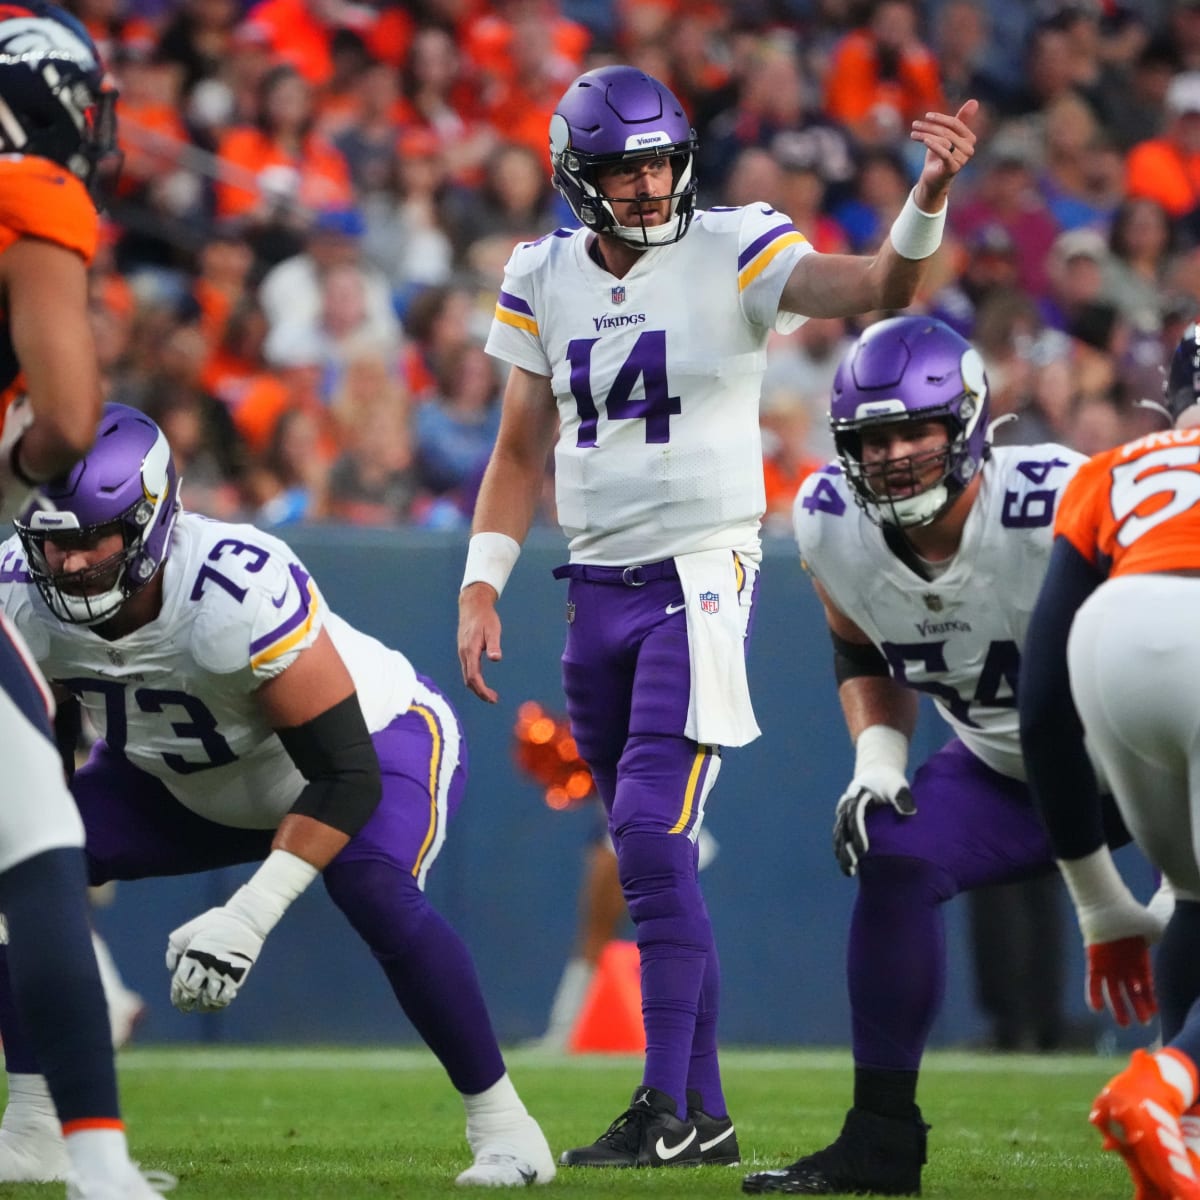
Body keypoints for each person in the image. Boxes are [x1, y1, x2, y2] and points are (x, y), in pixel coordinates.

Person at [456, 62, 978, 1170]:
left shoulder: (733, 242)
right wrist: (480, 580)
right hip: (591, 585)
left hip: (700, 573)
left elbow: (878, 286)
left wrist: (926, 192)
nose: (648, 188)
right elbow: (515, 449)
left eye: (659, 164)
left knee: (649, 833)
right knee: (650, 852)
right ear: (576, 177)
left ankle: (667, 1108)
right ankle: (704, 1114)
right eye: (624, 170)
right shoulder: (541, 274)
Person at [0, 404, 556, 1189]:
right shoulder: (18, 595)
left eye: (94, 537)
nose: (70, 563)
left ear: (154, 520)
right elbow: (39, 750)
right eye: (54, 541)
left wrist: (247, 917)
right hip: (183, 778)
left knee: (370, 885)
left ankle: (507, 1127)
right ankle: (32, 1128)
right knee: (12, 861)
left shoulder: (229, 587)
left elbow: (346, 774)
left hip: (371, 742)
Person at [741, 314, 1120, 1197]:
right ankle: (880, 1141)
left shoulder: (1059, 497)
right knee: (896, 857)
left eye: (917, 427)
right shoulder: (830, 521)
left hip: (1147, 755)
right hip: (1006, 768)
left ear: (970, 422)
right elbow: (862, 649)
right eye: (875, 436)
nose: (897, 453)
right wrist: (878, 755)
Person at [0, 6, 170, 1198]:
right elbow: (66, 424)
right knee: (44, 843)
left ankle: (39, 1135)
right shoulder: (33, 188)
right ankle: (97, 1167)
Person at [1018, 323, 1200, 1199]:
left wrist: (1101, 905)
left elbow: (1043, 706)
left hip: (1113, 639)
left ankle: (1186, 1139)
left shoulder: (1111, 469)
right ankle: (1164, 1086)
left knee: (1194, 890)